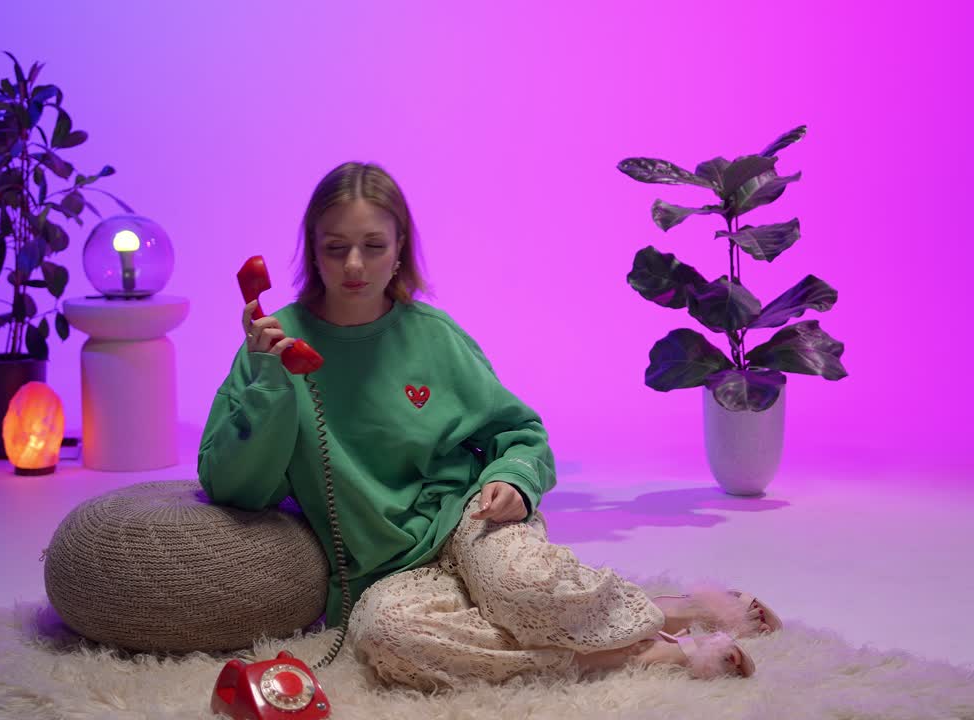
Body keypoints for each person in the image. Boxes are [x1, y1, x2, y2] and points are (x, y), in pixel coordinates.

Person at [197, 161, 781, 692]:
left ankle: (662, 613)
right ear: (312, 251)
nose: (354, 264)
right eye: (336, 247)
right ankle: (640, 645)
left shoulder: (434, 335)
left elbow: (521, 433)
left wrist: (513, 481)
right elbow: (233, 486)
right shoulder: (273, 346)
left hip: (471, 519)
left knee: (521, 588)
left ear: (399, 251)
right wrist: (271, 382)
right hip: (384, 567)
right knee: (387, 640)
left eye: (373, 246)